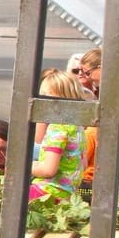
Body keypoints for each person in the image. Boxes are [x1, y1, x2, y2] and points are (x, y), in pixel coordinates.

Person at [30, 70, 86, 201]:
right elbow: (84, 162)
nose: (40, 100)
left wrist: (28, 166)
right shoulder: (77, 126)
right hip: (67, 192)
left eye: (45, 96)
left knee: (8, 198)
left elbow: (49, 170)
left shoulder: (57, 128)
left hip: (48, 190)